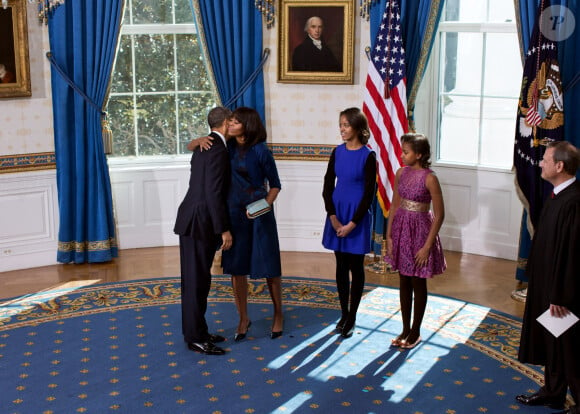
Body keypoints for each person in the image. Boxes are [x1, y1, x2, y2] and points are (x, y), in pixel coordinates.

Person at [189, 107, 284, 341]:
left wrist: (264, 206)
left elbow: (275, 185)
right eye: (229, 121)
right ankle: (243, 318)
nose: (229, 125)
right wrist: (197, 140)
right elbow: (193, 146)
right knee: (236, 267)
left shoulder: (261, 151)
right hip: (233, 215)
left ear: (247, 125)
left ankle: (278, 315)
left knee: (269, 267)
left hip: (259, 215)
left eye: (235, 122)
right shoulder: (225, 146)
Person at [516, 141, 580, 414]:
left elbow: (573, 254)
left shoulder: (575, 201)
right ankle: (553, 393)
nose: (540, 162)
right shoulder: (558, 195)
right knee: (553, 344)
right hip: (546, 284)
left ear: (560, 166)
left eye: (545, 158)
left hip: (561, 292)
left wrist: (559, 295)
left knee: (570, 349)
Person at [174, 106, 233, 356]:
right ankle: (195, 338)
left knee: (199, 281)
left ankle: (199, 330)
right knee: (196, 282)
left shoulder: (204, 144)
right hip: (200, 222)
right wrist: (224, 230)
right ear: (227, 123)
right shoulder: (217, 149)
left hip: (193, 219)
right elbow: (213, 192)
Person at [386, 133, 446, 350]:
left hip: (420, 233)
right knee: (403, 280)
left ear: (419, 154)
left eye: (406, 152)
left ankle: (416, 331)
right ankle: (404, 328)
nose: (402, 155)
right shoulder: (401, 173)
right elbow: (394, 206)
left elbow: (439, 214)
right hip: (401, 229)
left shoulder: (430, 178)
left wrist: (427, 246)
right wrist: (390, 236)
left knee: (417, 281)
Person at [322, 107, 376, 338]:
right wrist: (333, 217)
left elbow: (369, 194)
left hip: (357, 218)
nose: (341, 129)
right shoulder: (337, 152)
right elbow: (327, 185)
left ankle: (352, 316)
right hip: (337, 215)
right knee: (340, 267)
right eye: (340, 124)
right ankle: (343, 313)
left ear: (357, 127)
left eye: (346, 125)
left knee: (356, 267)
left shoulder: (368, 155)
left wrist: (353, 224)